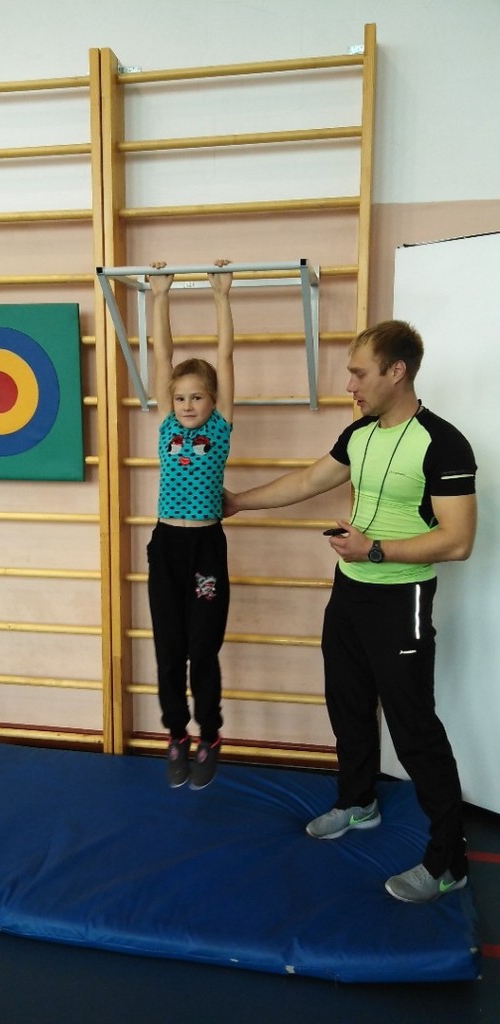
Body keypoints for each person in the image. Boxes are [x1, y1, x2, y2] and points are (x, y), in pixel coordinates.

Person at [224, 319, 477, 903]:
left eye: (359, 373)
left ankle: (449, 861)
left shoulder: (443, 442)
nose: (350, 385)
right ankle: (359, 802)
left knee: (413, 728)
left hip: (402, 597)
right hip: (351, 590)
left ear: (397, 371)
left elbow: (458, 539)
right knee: (348, 703)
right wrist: (239, 502)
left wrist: (376, 549)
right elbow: (311, 479)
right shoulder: (360, 433)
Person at [147, 259, 234, 791]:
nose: (186, 404)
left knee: (201, 648)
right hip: (166, 546)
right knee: (168, 648)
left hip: (205, 549)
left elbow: (225, 355)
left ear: (213, 401)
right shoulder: (165, 425)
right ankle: (177, 734)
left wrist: (221, 295)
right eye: (180, 397)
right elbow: (163, 356)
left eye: (197, 396)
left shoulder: (220, 429)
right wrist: (160, 295)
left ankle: (211, 735)